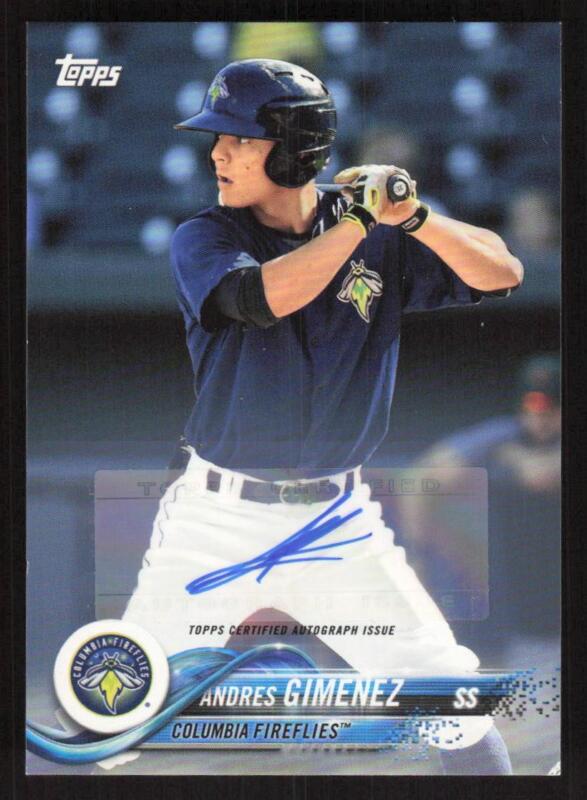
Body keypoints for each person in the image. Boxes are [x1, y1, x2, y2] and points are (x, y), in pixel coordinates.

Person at [122, 59, 523, 774]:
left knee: (450, 703)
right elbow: (262, 298)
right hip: (215, 521)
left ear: (292, 149)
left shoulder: (377, 233)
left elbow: (502, 272)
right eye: (218, 139)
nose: (217, 154)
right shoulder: (204, 237)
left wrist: (414, 218)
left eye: (238, 139)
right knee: (115, 706)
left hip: (336, 522)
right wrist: (362, 221)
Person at [399, 355, 560, 669]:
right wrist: (416, 555)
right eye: (532, 408)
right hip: (527, 615)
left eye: (552, 409)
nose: (540, 418)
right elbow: (419, 479)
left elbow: (541, 476)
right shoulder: (504, 436)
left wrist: (514, 461)